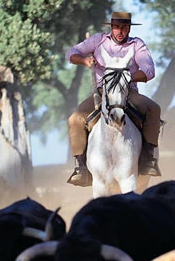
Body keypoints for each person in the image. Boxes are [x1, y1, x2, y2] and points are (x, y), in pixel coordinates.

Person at [65, 11, 162, 187]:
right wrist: (85, 60)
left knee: (153, 109)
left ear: (129, 28)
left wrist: (128, 77)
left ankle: (148, 158)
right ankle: (81, 167)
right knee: (75, 119)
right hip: (102, 91)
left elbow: (149, 70)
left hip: (128, 91)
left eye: (124, 27)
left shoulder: (136, 44)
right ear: (111, 27)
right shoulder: (97, 40)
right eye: (117, 27)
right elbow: (72, 53)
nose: (120, 31)